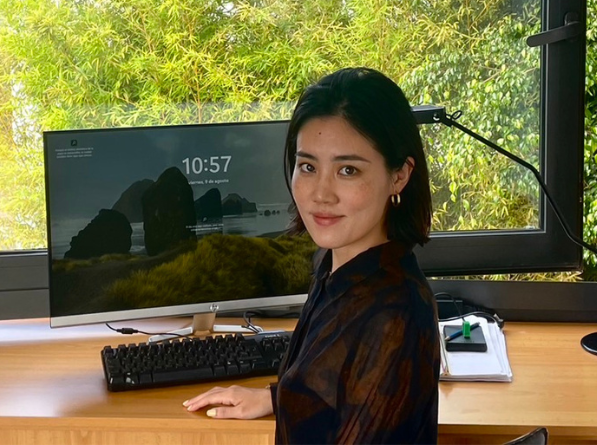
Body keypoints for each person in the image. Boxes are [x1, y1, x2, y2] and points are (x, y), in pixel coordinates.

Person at [183, 67, 441, 443]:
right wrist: (278, 397)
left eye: (348, 170)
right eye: (308, 166)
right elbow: (338, 385)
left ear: (399, 175)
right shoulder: (338, 267)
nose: (320, 194)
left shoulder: (393, 317)